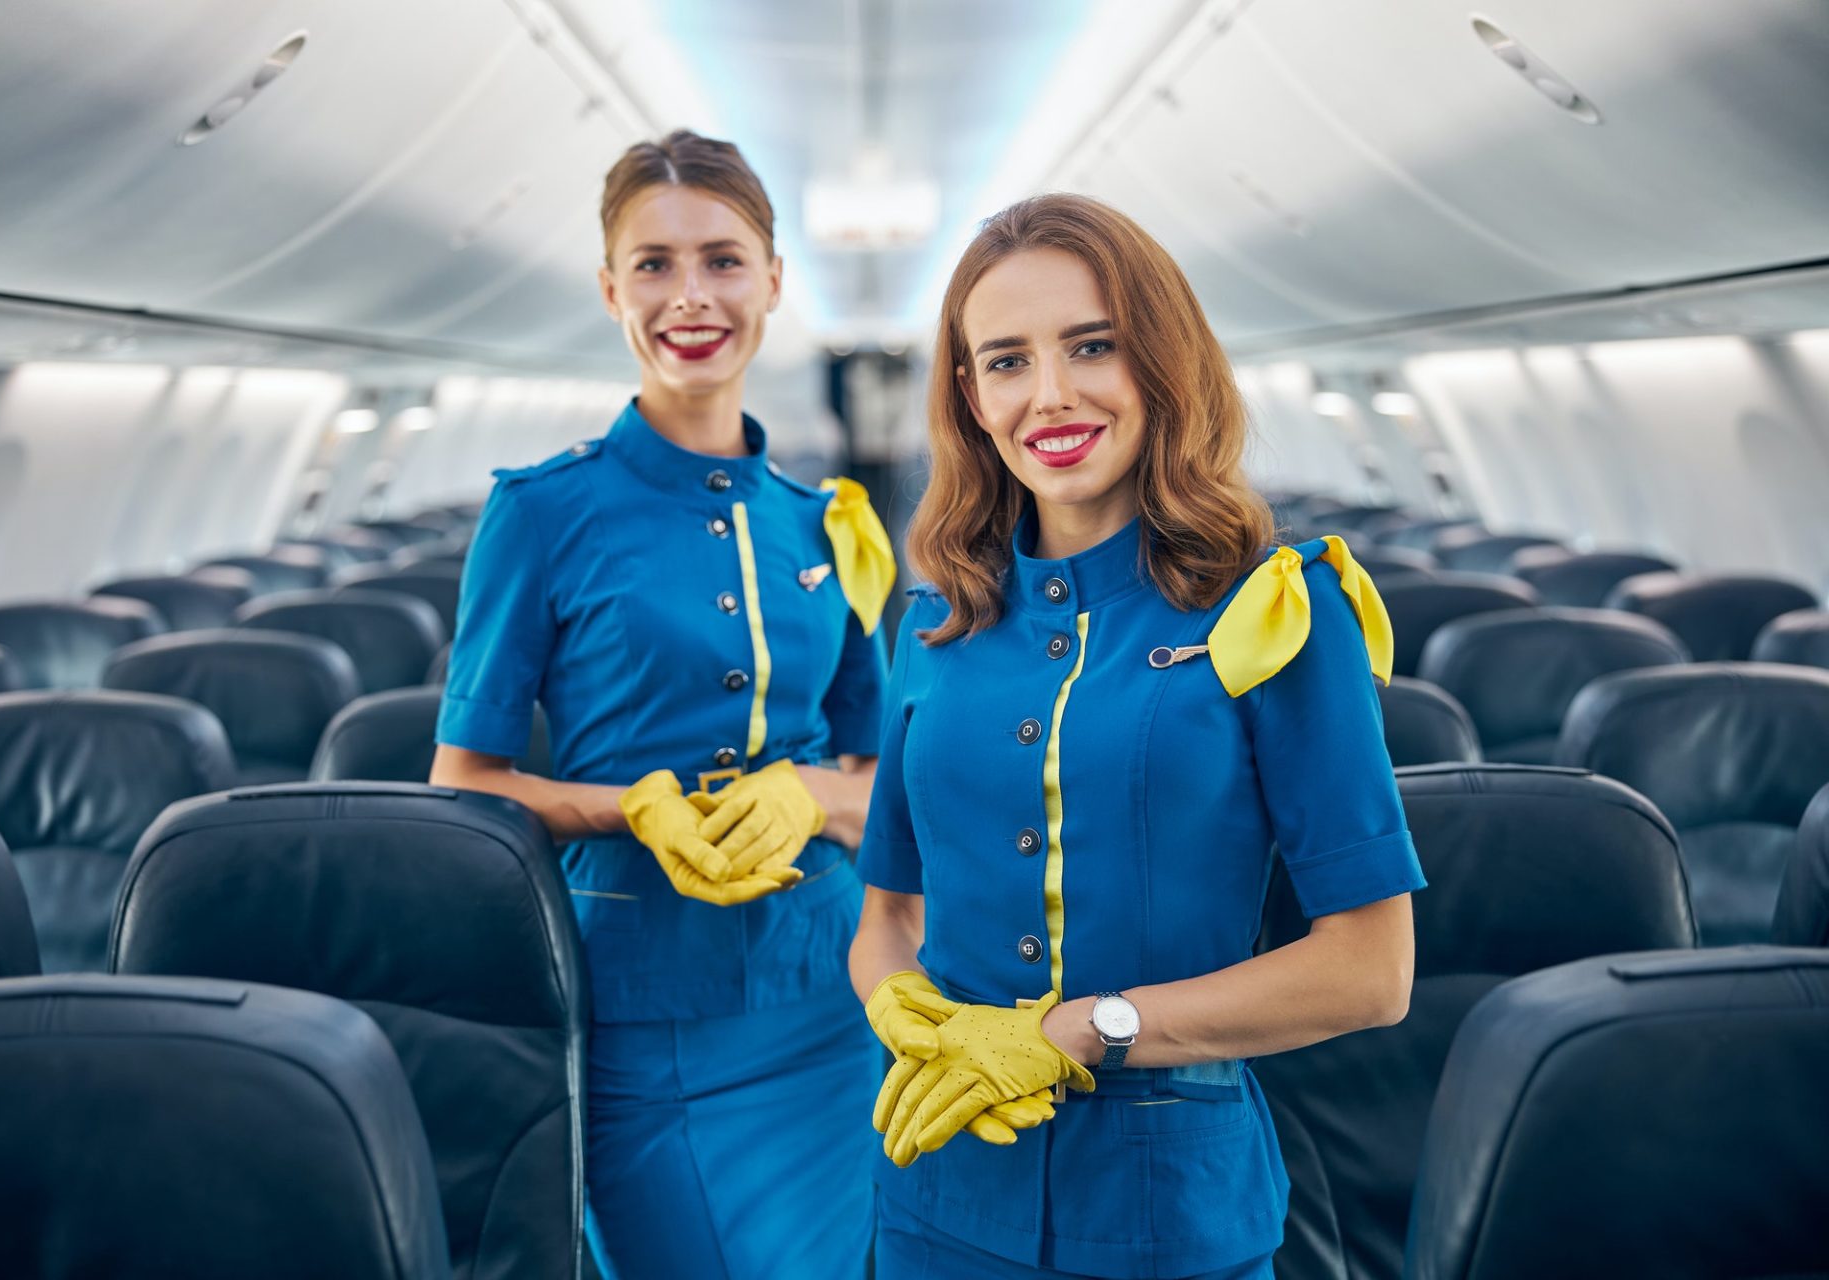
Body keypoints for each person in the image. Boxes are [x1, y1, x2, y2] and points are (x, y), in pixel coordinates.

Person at [848, 193, 1426, 1280]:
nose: (1050, 395)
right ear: (970, 395)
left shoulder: (1275, 611)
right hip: (938, 1193)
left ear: (1162, 358)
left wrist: (1076, 1030)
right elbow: (886, 915)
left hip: (1170, 1219)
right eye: (1008, 361)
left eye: (1092, 346)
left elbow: (1371, 968)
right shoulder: (935, 625)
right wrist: (902, 1010)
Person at [431, 129, 894, 1280]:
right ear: (610, 289)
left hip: (833, 993)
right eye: (654, 264)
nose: (691, 295)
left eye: (723, 261)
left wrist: (812, 794)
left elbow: (885, 781)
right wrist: (626, 804)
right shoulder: (541, 512)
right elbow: (464, 783)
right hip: (643, 1008)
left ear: (773, 281)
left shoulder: (825, 523)